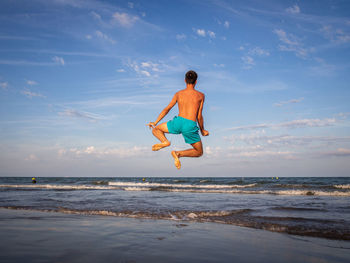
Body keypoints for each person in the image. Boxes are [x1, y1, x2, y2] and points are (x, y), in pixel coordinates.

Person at [146, 70, 209, 169]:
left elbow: (167, 109)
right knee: (199, 152)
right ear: (196, 81)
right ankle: (178, 154)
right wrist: (202, 130)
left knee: (156, 129)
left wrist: (155, 121)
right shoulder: (201, 95)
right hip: (190, 124)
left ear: (185, 80)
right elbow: (199, 116)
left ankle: (165, 142)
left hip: (178, 122)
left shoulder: (178, 94)